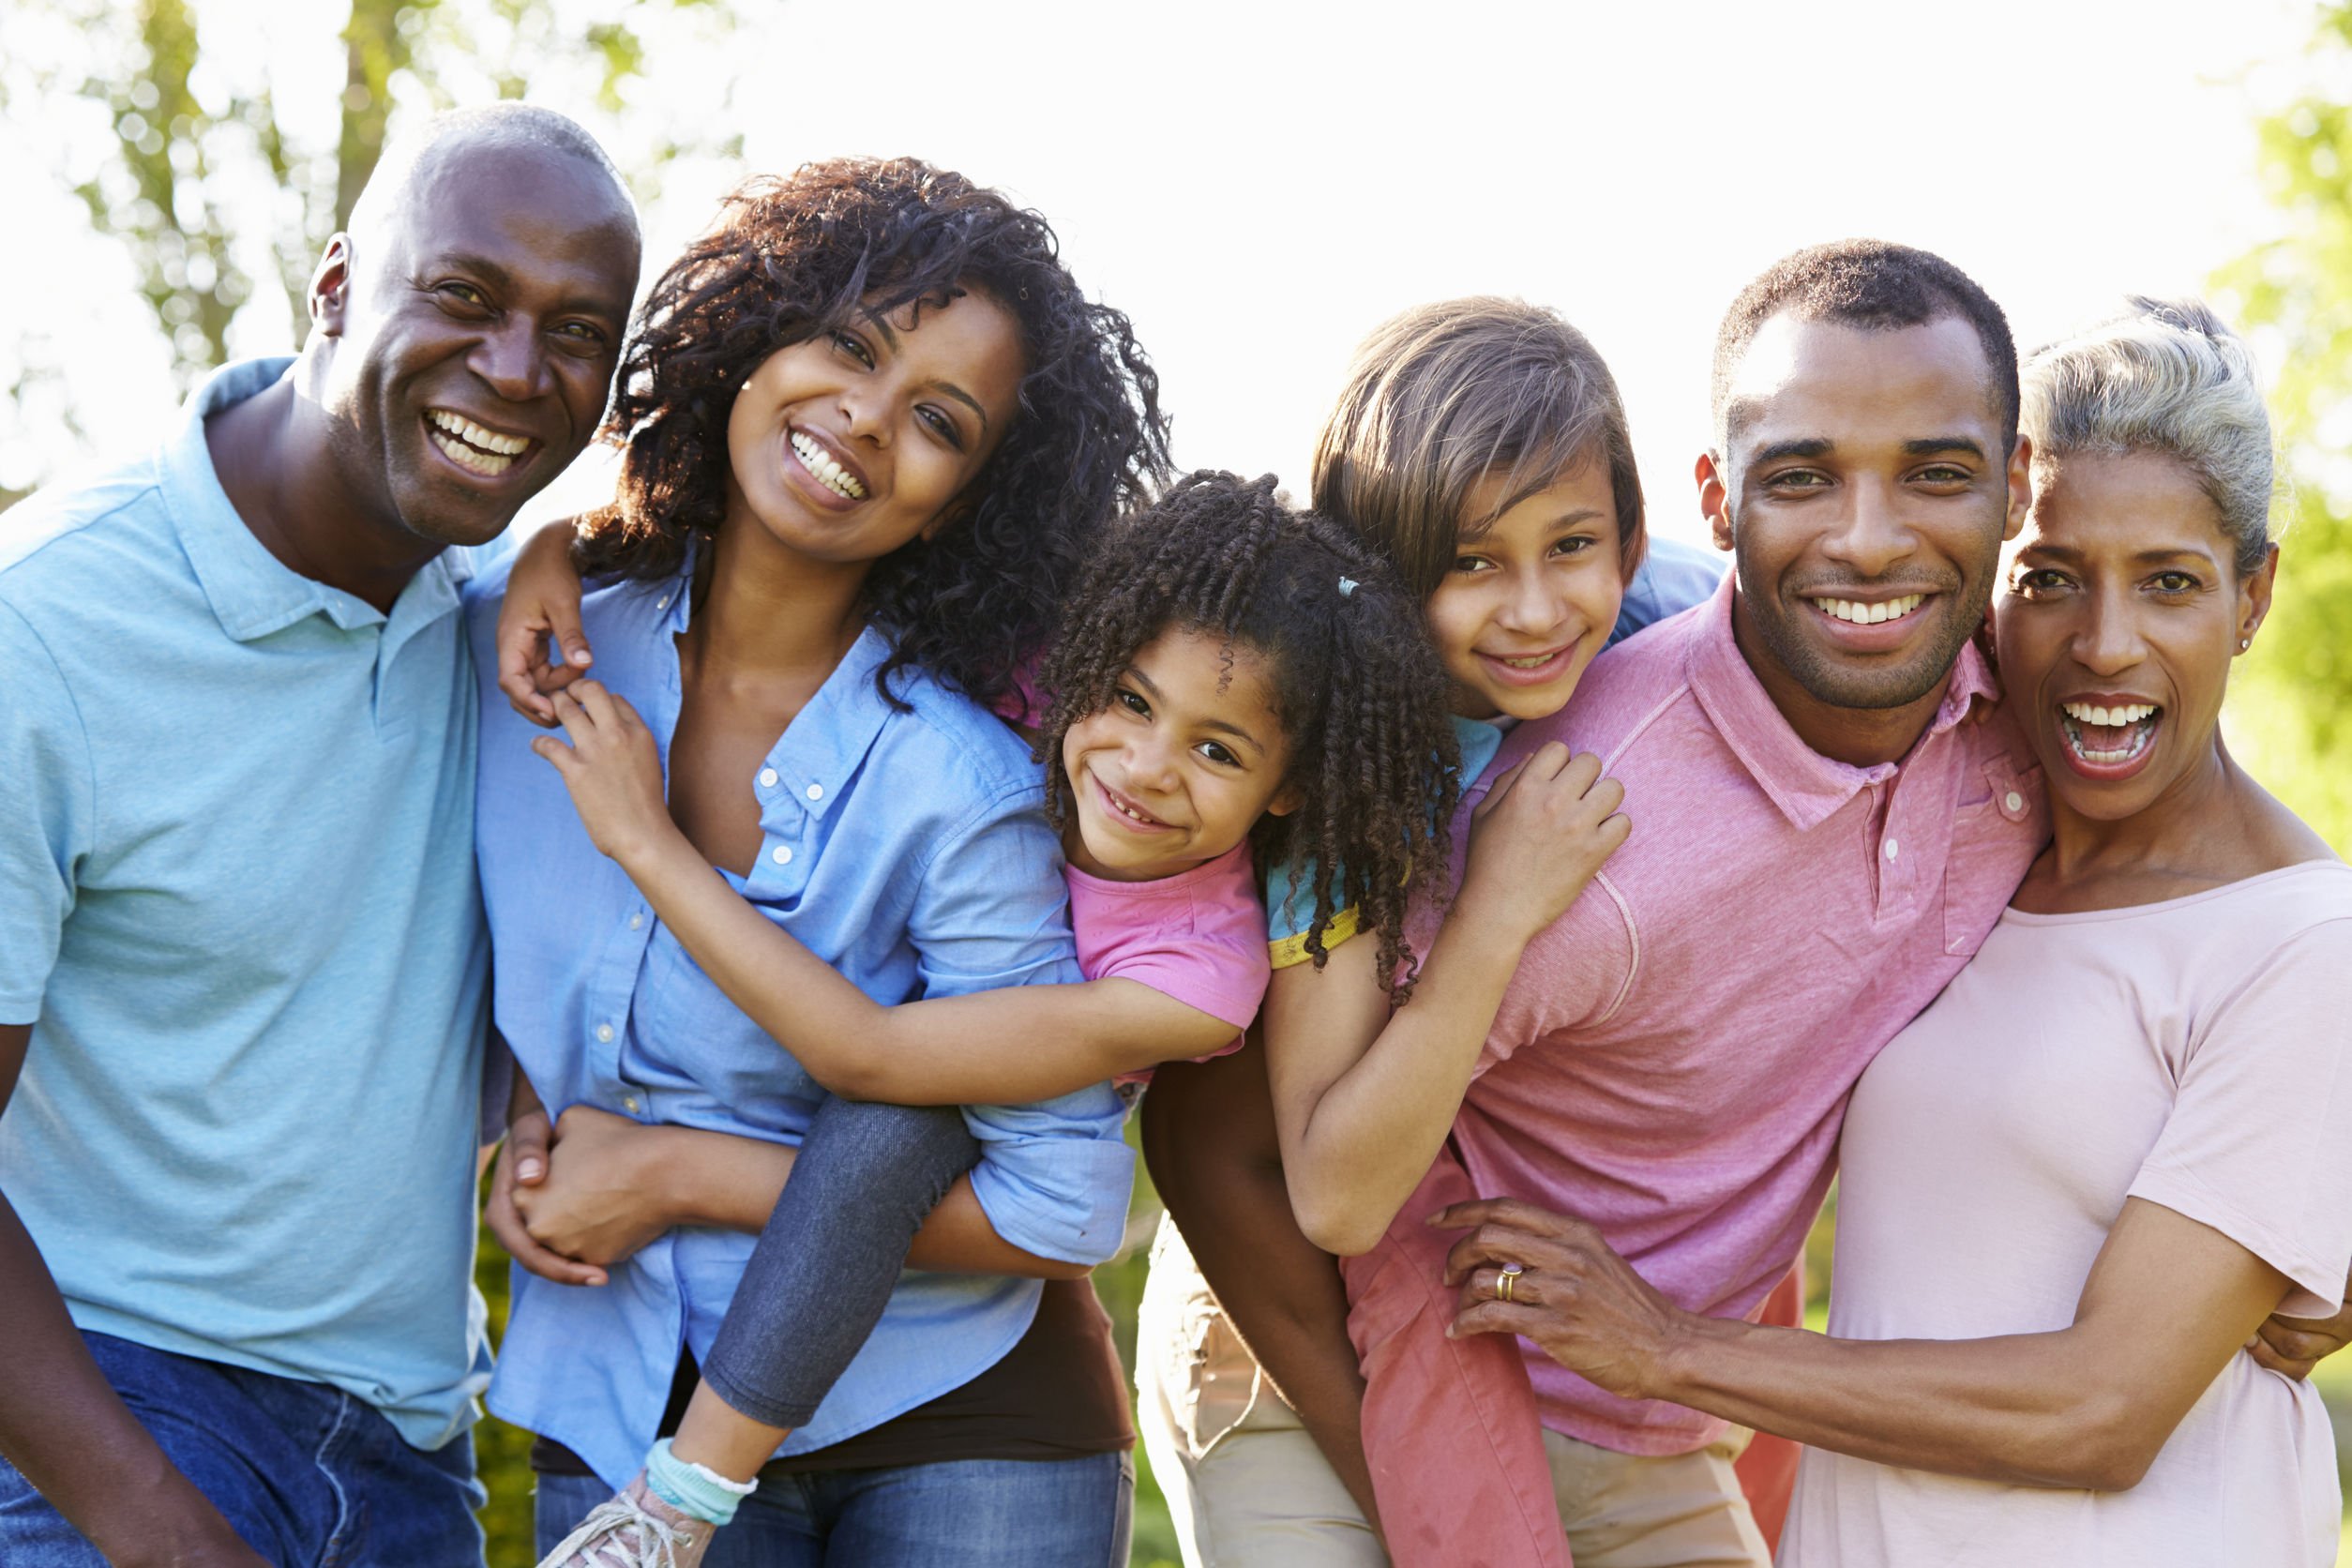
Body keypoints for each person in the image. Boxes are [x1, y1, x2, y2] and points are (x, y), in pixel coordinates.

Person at [1444, 298, 2352, 1567]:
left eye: (2172, 584)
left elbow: (2108, 1409)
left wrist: (1667, 1347)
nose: (2105, 644)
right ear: (1986, 576)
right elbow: (1730, 595)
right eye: (2049, 578)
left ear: (2251, 596)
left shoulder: (2298, 940)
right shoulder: (1974, 819)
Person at [520, 471, 1466, 1565]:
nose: (1145, 766)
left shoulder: (1200, 975)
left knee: (890, 1131)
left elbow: (864, 1053)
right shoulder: (1024, 696)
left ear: (1289, 789)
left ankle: (680, 1501)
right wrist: (555, 546)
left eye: (1219, 751)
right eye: (1131, 700)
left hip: (939, 1105)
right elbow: (767, 543)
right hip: (804, 1139)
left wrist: (645, 839)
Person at [465, 157, 1174, 1568]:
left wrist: (669, 1170)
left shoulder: (964, 788)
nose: (862, 417)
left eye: (939, 422)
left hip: (956, 1422)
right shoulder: (521, 647)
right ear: (751, 337)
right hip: (612, 1391)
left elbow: (1055, 1203)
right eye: (846, 344)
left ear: (969, 501)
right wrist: (522, 1130)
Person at [0, 105, 641, 1566]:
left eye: (576, 332)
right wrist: (148, 1520)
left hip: (411, 1451)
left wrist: (528, 1086)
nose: (514, 368)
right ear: (338, 287)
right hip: (103, 1429)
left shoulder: (510, 614)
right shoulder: (43, 627)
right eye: (465, 297)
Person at [1134, 297, 1740, 1568]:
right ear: (1383, 572)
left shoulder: (1678, 627)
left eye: (1572, 544)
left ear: (1629, 531)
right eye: (1471, 565)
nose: (1533, 610)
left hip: (1546, 1334)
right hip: (1285, 1345)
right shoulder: (1338, 755)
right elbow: (1327, 1187)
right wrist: (1501, 907)